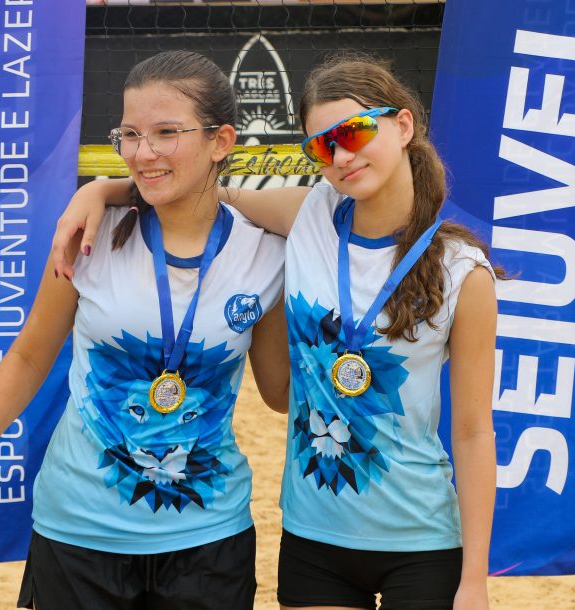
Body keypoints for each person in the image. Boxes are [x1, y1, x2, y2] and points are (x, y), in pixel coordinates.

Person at [53, 55, 501, 610]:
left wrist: (475, 578)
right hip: (314, 539)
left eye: (354, 131)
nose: (340, 155)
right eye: (321, 146)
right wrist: (99, 191)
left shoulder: (463, 271)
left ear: (403, 125)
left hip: (422, 539)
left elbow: (475, 433)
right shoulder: (309, 215)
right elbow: (199, 194)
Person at [0, 50, 290, 610]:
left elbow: (280, 392)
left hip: (208, 540)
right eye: (129, 134)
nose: (141, 153)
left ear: (222, 141)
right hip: (78, 534)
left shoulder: (265, 252)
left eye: (165, 133)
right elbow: (30, 355)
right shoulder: (89, 236)